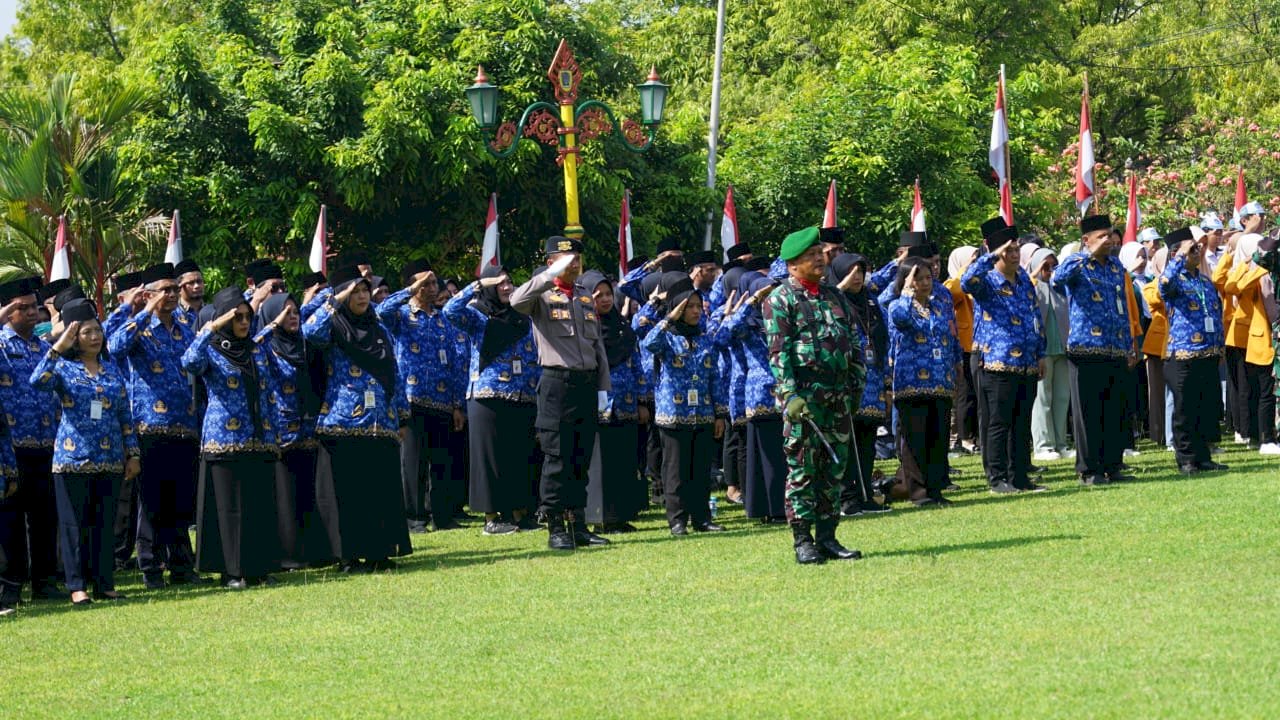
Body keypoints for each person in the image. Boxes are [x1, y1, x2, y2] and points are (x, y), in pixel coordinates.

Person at [763, 226, 865, 564]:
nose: (820, 259)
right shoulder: (781, 300)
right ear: (792, 265)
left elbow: (854, 342)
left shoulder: (834, 297)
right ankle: (803, 540)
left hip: (837, 399)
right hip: (804, 402)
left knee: (833, 473)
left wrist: (856, 385)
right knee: (803, 471)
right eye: (811, 256)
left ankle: (828, 537)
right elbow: (779, 354)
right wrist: (790, 396)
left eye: (820, 254)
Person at [303, 259, 412, 573]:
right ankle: (349, 555)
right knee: (348, 496)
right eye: (355, 292)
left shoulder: (378, 328)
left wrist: (401, 416)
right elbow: (309, 332)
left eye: (365, 290)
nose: (363, 297)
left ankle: (379, 552)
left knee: (379, 492)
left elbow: (395, 371)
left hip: (381, 422)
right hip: (343, 424)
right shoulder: (333, 326)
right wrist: (334, 300)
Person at [30, 299, 139, 606]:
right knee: (73, 526)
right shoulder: (63, 367)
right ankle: (76, 585)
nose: (95, 337)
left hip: (109, 458)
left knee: (104, 523)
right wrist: (58, 345)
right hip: (73, 458)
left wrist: (133, 454)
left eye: (97, 331)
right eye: (87, 332)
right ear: (75, 337)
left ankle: (104, 582)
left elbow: (124, 414)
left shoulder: (110, 368)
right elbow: (37, 381)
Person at [509, 236, 612, 551]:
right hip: (556, 382)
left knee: (580, 455)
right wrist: (546, 276)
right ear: (553, 262)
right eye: (568, 260)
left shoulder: (584, 296)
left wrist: (603, 388)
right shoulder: (541, 295)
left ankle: (578, 524)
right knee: (557, 457)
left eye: (578, 260)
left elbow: (598, 347)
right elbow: (515, 300)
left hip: (585, 383)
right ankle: (555, 525)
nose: (575, 265)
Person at [108, 262, 204, 588]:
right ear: (148, 294)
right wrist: (144, 310)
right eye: (165, 290)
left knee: (178, 501)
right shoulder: (140, 329)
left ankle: (181, 565)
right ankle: (150, 566)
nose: (172, 295)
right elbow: (115, 347)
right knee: (151, 502)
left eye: (174, 289)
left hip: (183, 424)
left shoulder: (183, 327)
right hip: (150, 426)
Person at [182, 287, 285, 588]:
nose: (242, 322)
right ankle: (232, 571)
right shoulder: (211, 349)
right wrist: (209, 328)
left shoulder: (255, 349)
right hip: (224, 441)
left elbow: (269, 393)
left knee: (258, 505)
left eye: (246, 317)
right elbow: (188, 362)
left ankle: (259, 567)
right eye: (236, 317)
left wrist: (273, 434)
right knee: (229, 510)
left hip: (258, 437)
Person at [443, 265, 542, 536]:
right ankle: (491, 517)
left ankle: (519, 512)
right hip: (488, 396)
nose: (507, 287)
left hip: (522, 395)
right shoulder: (478, 315)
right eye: (499, 284)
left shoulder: (523, 317)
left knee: (518, 457)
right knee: (490, 459)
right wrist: (476, 285)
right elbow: (450, 310)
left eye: (509, 282)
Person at [377, 262, 466, 533]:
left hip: (442, 401)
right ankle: (414, 517)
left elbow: (455, 362)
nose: (431, 287)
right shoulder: (401, 315)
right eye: (424, 284)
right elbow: (381, 310)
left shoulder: (443, 318)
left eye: (433, 282)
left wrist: (457, 405)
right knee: (413, 463)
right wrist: (410, 290)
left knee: (442, 462)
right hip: (410, 400)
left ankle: (442, 515)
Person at [1051, 215, 1140, 486]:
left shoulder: (1115, 266)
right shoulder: (1076, 263)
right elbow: (1057, 280)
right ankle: (1089, 470)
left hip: (1114, 348)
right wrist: (1086, 255)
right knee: (1088, 413)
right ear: (1086, 240)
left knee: (1114, 411)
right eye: (1101, 236)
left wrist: (1128, 345)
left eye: (1110, 236)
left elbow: (1121, 306)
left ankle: (1112, 466)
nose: (1108, 241)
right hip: (1086, 349)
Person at [962, 229, 1047, 494]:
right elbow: (966, 281)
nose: (1014, 255)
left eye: (1016, 249)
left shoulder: (1022, 278)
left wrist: (1041, 353)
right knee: (998, 422)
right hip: (997, 361)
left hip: (1027, 362)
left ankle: (1019, 476)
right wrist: (990, 256)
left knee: (1021, 422)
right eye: (1008, 250)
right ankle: (997, 478)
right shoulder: (986, 281)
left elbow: (1035, 317)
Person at [643, 277, 727, 535]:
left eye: (698, 307)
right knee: (675, 471)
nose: (694, 311)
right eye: (688, 307)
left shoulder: (705, 339)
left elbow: (715, 377)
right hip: (674, 415)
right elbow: (649, 343)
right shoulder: (667, 338)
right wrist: (669, 318)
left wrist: (719, 414)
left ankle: (702, 518)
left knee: (700, 471)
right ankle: (677, 520)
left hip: (702, 413)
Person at [256, 293, 332, 569]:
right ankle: (286, 554)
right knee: (284, 494)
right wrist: (271, 326)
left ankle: (315, 551)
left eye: (295, 311)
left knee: (310, 489)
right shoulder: (266, 347)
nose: (292, 316)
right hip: (280, 429)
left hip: (309, 428)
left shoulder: (306, 344)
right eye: (285, 312)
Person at [0, 275, 63, 601]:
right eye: (21, 308)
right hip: (11, 449)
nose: (30, 314)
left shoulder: (44, 347)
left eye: (34, 308)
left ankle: (44, 582)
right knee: (9, 522)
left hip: (46, 445)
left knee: (44, 520)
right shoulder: (1, 345)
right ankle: (11, 585)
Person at [580, 270, 649, 533]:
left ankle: (620, 515)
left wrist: (643, 401)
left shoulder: (622, 327)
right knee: (601, 462)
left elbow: (636, 365)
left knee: (623, 460)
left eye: (609, 294)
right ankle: (600, 517)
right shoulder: (584, 328)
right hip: (598, 405)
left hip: (627, 403)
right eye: (599, 295)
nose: (606, 300)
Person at [888, 258, 959, 506]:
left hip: (940, 382)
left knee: (938, 439)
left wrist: (956, 366)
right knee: (915, 441)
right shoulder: (898, 305)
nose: (925, 283)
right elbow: (900, 319)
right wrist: (907, 292)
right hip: (911, 385)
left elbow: (951, 338)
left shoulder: (939, 306)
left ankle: (937, 490)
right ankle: (919, 493)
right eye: (919, 278)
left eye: (928, 278)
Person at [1158, 228, 1228, 474]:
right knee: (1184, 409)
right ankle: (1186, 458)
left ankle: (1203, 456)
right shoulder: (1174, 281)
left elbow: (1215, 314)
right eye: (1192, 249)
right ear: (1177, 253)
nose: (1197, 252)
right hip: (1183, 353)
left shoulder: (1204, 281)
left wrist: (1219, 345)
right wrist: (1178, 257)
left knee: (1204, 408)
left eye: (1197, 248)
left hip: (1207, 353)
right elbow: (1163, 286)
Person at [721, 270, 788, 523]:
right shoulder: (746, 324)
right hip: (760, 394)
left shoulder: (780, 317)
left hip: (785, 387)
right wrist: (750, 302)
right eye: (765, 295)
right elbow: (722, 337)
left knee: (785, 453)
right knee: (765, 456)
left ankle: (783, 506)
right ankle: (768, 509)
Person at [1216, 230, 1279, 454]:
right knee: (1259, 391)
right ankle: (1263, 437)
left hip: (1261, 337)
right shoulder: (1252, 273)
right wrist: (1252, 265)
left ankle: (1257, 434)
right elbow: (1230, 287)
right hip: (1255, 339)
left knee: (1258, 390)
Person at [1029, 248, 1073, 460]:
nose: (1048, 271)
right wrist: (1036, 276)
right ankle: (1043, 445)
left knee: (1062, 397)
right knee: (1043, 398)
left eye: (1052, 266)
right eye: (1044, 266)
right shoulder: (1032, 286)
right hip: (1042, 351)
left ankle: (1060, 443)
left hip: (1062, 350)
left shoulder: (1059, 287)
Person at [944, 246, 980, 455]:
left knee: (978, 395)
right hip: (963, 346)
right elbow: (954, 291)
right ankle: (964, 438)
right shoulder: (952, 282)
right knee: (965, 395)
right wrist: (965, 269)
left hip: (980, 345)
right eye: (971, 260)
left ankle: (975, 435)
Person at [174, 259, 206, 328]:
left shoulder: (212, 311)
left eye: (199, 281)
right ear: (179, 287)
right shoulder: (172, 315)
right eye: (191, 283)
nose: (197, 286)